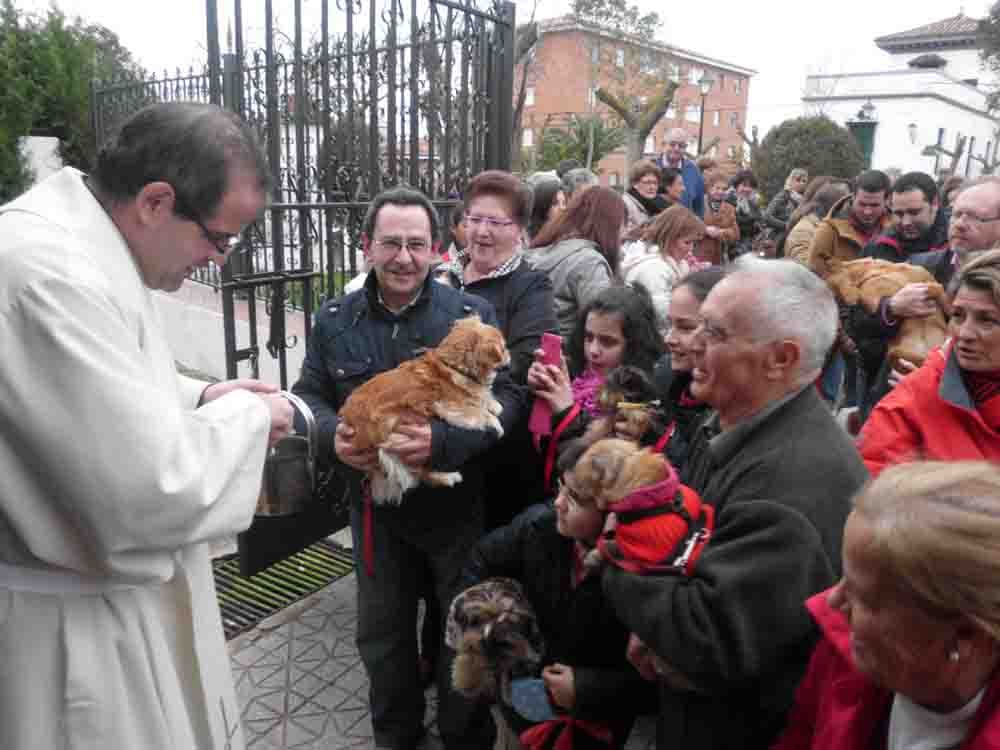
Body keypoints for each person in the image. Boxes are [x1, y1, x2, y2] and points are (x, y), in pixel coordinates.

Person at [0, 101, 294, 750]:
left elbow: (107, 385)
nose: (220, 261)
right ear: (157, 202)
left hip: (104, 606)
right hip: (70, 634)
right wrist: (249, 415)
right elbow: (147, 489)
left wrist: (205, 394)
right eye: (219, 238)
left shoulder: (85, 245)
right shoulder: (46, 270)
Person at [292, 185, 527, 750]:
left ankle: (462, 739)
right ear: (367, 246)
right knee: (383, 638)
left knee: (461, 631)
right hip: (376, 512)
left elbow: (511, 399)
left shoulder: (469, 315)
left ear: (437, 249)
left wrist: (444, 442)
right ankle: (394, 737)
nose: (403, 257)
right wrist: (332, 438)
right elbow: (308, 395)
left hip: (454, 510)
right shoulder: (334, 320)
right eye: (391, 243)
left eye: (416, 244)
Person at [602, 257, 868, 750]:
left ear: (781, 359)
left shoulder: (793, 484)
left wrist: (617, 553)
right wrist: (657, 627)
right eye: (697, 324)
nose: (690, 343)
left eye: (717, 332)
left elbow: (709, 639)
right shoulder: (735, 426)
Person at [772, 461, 1000, 750]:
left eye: (864, 597)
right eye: (844, 579)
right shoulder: (844, 649)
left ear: (965, 635)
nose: (834, 601)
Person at [453, 440, 658, 750]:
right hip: (522, 703)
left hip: (593, 723)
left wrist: (587, 688)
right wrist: (482, 621)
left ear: (616, 514)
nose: (559, 503)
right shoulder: (539, 526)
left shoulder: (648, 577)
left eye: (575, 498)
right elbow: (480, 558)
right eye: (560, 487)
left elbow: (658, 683)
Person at [858, 250, 1000, 477]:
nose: (964, 333)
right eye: (958, 315)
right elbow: (873, 485)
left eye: (987, 320)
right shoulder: (913, 399)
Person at [528, 285, 666, 492]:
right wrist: (538, 393)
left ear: (634, 345)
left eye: (607, 342)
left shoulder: (638, 403)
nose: (593, 351)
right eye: (588, 337)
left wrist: (567, 413)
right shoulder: (577, 377)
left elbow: (590, 481)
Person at [849, 172, 950, 419]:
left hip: (941, 387)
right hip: (877, 376)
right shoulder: (876, 248)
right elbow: (853, 318)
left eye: (914, 212)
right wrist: (890, 308)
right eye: (898, 213)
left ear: (935, 204)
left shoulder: (956, 251)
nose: (905, 221)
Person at [652, 267, 726, 472]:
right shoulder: (665, 375)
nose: (668, 339)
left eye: (685, 328)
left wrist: (660, 438)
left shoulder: (730, 408)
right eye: (670, 324)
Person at [529, 186, 625, 337]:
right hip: (570, 353)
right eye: (622, 224)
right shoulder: (589, 263)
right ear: (610, 225)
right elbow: (605, 324)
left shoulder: (546, 248)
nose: (623, 233)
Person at [621, 205, 706, 333]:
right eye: (687, 242)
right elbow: (661, 313)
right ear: (669, 238)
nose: (691, 249)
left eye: (694, 243)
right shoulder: (653, 268)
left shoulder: (673, 263)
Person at [807, 169, 892, 280]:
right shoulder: (829, 230)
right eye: (862, 204)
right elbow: (814, 277)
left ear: (887, 201)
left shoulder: (897, 228)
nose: (867, 211)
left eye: (874, 205)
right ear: (853, 197)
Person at [785, 181, 851, 266]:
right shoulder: (803, 232)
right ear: (835, 206)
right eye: (847, 204)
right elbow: (806, 269)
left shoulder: (830, 227)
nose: (849, 209)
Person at [656, 127, 705, 217]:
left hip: (684, 227)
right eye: (672, 144)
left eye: (681, 145)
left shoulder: (693, 171)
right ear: (663, 145)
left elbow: (699, 207)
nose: (677, 149)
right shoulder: (651, 167)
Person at [699, 169, 739, 265]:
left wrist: (721, 232)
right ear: (709, 188)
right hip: (699, 256)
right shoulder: (698, 204)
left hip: (720, 258)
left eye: (724, 189)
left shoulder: (729, 208)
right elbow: (688, 227)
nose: (721, 192)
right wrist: (705, 230)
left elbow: (736, 234)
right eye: (717, 188)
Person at [764, 167, 808, 249]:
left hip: (798, 234)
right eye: (798, 180)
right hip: (778, 235)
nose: (801, 183)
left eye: (804, 181)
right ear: (791, 180)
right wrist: (785, 225)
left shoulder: (805, 200)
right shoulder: (783, 195)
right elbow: (767, 216)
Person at [622, 159, 668, 236]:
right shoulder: (625, 204)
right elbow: (624, 235)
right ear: (634, 184)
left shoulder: (652, 204)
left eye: (655, 183)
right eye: (647, 182)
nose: (652, 187)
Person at [526, 175, 567, 242]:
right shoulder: (527, 238)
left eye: (564, 203)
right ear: (543, 206)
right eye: (555, 204)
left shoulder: (568, 233)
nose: (562, 208)